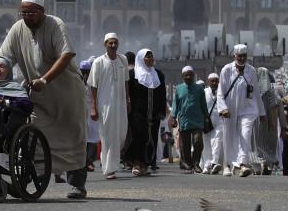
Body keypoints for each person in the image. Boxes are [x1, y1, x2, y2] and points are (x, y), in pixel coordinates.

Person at [0, 0, 88, 198]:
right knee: (34, 135)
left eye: (31, 12)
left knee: (73, 138)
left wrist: (45, 79)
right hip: (38, 96)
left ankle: (77, 185)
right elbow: (4, 56)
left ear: (42, 12)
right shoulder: (18, 29)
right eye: (23, 12)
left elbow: (66, 55)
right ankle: (25, 180)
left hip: (67, 95)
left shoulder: (55, 24)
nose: (26, 16)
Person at [217, 44, 265, 178]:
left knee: (245, 134)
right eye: (239, 56)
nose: (242, 58)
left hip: (247, 109)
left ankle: (243, 164)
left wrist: (261, 112)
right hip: (229, 109)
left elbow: (256, 93)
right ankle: (227, 165)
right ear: (234, 56)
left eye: (244, 56)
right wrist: (223, 108)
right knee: (229, 136)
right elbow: (221, 91)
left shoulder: (251, 71)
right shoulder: (226, 70)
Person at [88, 34, 128, 179]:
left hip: (121, 103)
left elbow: (126, 82)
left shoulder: (122, 59)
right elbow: (93, 85)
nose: (113, 45)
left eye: (115, 43)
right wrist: (93, 106)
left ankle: (111, 163)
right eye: (110, 43)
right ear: (105, 44)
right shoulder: (98, 62)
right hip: (105, 104)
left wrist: (128, 100)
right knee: (108, 135)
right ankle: (109, 169)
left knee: (121, 134)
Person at [124, 49, 166, 177]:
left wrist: (162, 111)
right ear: (141, 59)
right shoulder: (132, 74)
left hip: (154, 113)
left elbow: (162, 94)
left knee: (151, 137)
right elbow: (127, 93)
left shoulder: (158, 74)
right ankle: (137, 163)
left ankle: (146, 164)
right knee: (139, 136)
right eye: (148, 57)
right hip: (137, 113)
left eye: (152, 56)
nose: (151, 59)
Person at [169, 65, 209, 174]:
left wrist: (206, 117)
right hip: (184, 120)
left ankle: (196, 163)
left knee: (198, 142)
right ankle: (187, 163)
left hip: (197, 120)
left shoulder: (200, 89)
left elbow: (203, 105)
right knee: (185, 144)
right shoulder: (178, 89)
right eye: (185, 75)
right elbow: (175, 104)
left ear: (193, 76)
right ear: (182, 76)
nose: (188, 77)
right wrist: (173, 117)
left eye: (190, 75)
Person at [250, 67, 285, 175]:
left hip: (255, 124)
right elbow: (273, 108)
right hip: (266, 123)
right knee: (267, 146)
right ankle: (266, 165)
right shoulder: (271, 93)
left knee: (255, 146)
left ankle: (257, 166)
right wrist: (273, 124)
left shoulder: (252, 92)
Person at [199, 73, 224, 174]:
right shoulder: (203, 92)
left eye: (216, 81)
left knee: (216, 142)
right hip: (206, 122)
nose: (214, 83)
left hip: (219, 121)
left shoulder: (222, 93)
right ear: (208, 82)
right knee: (206, 144)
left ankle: (214, 163)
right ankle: (206, 165)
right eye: (212, 81)